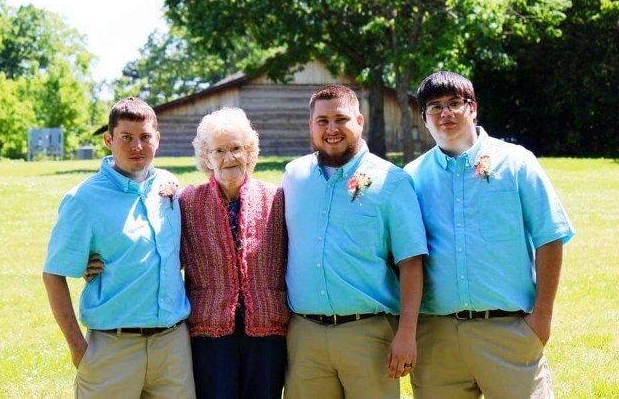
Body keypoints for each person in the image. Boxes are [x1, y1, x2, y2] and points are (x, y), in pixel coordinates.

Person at [404, 71, 575, 398]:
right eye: (435, 107)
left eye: (455, 103)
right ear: (423, 118)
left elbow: (550, 237)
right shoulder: (411, 178)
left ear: (473, 108)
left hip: (508, 331)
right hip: (436, 338)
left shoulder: (516, 163)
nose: (445, 113)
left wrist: (541, 319)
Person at [43, 97, 195, 398]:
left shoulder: (168, 184)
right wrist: (78, 349)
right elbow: (53, 274)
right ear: (108, 140)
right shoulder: (83, 200)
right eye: (126, 137)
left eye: (145, 137)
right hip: (113, 349)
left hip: (173, 348)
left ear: (157, 139)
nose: (137, 146)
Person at [282, 84, 428, 398]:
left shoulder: (392, 181)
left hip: (368, 335)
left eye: (341, 119)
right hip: (304, 336)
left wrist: (406, 334)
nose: (331, 129)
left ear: (360, 122)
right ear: (311, 125)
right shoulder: (293, 176)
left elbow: (412, 264)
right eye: (322, 121)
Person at [180, 107, 289, 398]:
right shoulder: (187, 203)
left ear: (249, 152)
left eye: (236, 148)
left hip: (267, 329)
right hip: (209, 330)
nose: (229, 157)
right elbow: (164, 255)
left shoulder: (276, 198)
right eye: (219, 151)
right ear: (206, 157)